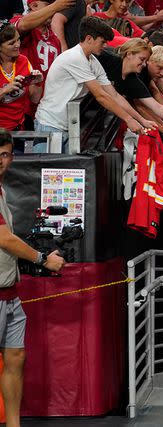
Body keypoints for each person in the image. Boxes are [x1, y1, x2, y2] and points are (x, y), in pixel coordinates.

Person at [0, 129, 65, 427]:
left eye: (4, 155)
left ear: (12, 157)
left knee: (16, 359)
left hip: (10, 294)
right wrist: (42, 259)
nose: (0, 161)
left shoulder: (1, 190)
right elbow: (4, 240)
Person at [35, 16, 154, 152]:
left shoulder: (92, 61)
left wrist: (140, 120)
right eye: (102, 42)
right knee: (45, 172)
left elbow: (114, 95)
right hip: (49, 125)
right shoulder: (75, 57)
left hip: (65, 126)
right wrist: (128, 119)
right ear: (89, 39)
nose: (105, 46)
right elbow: (101, 96)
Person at [10, 0, 73, 78]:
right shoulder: (19, 21)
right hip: (22, 87)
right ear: (34, 6)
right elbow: (22, 25)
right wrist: (55, 6)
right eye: (48, 5)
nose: (54, 11)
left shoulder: (54, 38)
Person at [0, 23, 44, 131]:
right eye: (11, 43)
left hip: (19, 128)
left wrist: (37, 82)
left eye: (18, 39)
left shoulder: (23, 61)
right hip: (1, 131)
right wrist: (5, 90)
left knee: (25, 147)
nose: (17, 45)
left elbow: (35, 99)